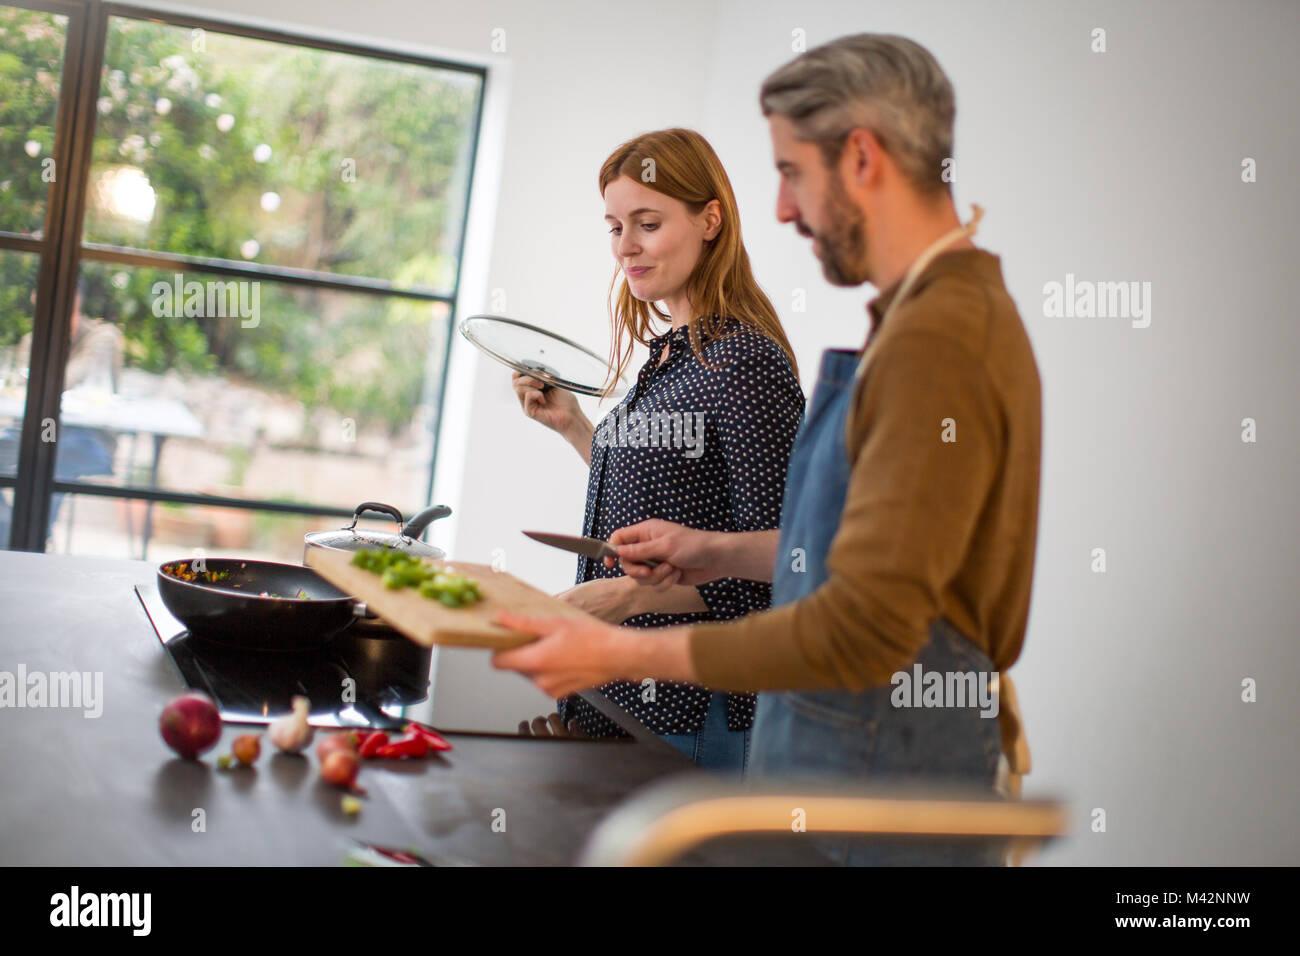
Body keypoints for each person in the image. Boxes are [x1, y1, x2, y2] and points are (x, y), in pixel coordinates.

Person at [493, 34, 1041, 864]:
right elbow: (833, 557)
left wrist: (621, 641)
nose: (781, 210)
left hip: (876, 785)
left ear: (859, 158)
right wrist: (710, 550)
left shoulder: (940, 339)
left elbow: (860, 625)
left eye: (790, 173)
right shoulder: (926, 318)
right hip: (843, 759)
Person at [510, 128, 804, 773]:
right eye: (614, 227)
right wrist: (575, 428)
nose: (626, 247)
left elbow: (788, 564)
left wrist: (627, 598)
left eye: (647, 223)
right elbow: (662, 503)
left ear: (710, 219)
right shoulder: (674, 352)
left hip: (691, 709)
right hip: (617, 690)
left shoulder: (744, 361)